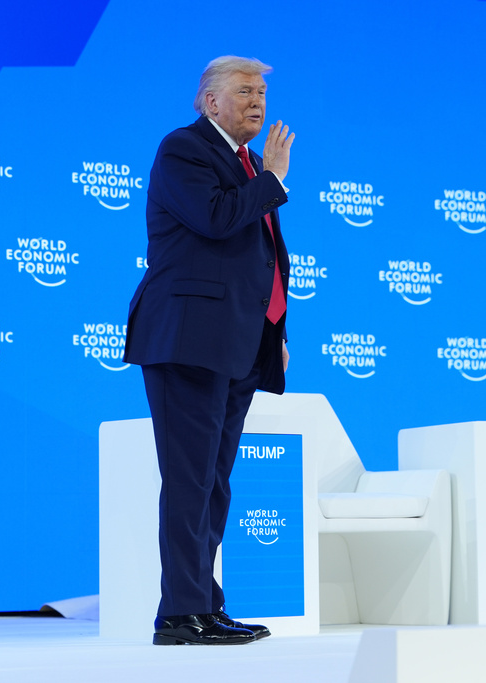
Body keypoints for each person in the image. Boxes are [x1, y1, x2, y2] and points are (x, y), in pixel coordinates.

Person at [123, 55, 295, 645]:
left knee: (215, 481)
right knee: (191, 477)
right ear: (210, 101)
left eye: (262, 93)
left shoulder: (245, 162)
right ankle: (179, 613)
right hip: (188, 338)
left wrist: (276, 332)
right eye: (245, 91)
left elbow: (258, 261)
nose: (257, 102)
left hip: (238, 342)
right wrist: (271, 181)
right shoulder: (185, 149)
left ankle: (204, 602)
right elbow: (217, 220)